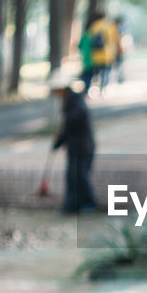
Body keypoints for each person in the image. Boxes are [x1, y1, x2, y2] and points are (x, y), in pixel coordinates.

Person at [49, 73, 96, 213]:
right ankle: (71, 205)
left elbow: (73, 121)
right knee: (71, 176)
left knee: (80, 175)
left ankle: (88, 203)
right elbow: (67, 127)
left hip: (82, 146)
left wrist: (60, 137)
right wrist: (58, 143)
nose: (55, 93)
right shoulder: (67, 100)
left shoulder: (75, 100)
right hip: (75, 146)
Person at [86, 10, 118, 94]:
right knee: (106, 72)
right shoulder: (110, 26)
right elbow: (114, 39)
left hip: (95, 55)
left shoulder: (94, 26)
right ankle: (103, 89)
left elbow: (89, 39)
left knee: (96, 73)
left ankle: (93, 88)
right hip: (107, 54)